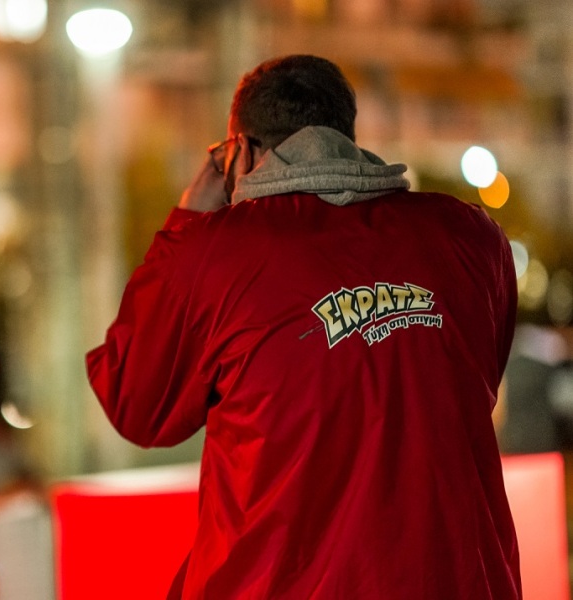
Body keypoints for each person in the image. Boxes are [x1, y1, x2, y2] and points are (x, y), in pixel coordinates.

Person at [86, 55, 520, 599]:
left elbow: (136, 403)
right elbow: (480, 374)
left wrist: (186, 222)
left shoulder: (213, 254)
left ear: (238, 153)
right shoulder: (471, 238)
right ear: (346, 135)